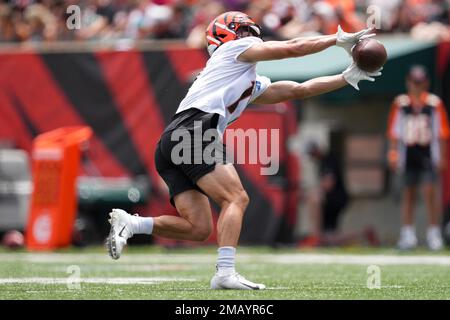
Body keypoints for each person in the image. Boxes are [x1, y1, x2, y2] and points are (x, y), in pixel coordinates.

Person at [106, 11, 382, 290]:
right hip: (195, 131)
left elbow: (298, 90)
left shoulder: (245, 77)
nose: (250, 37)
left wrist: (346, 77)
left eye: (251, 32)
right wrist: (336, 39)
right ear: (225, 36)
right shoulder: (231, 51)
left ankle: (131, 224)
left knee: (199, 228)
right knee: (236, 198)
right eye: (244, 32)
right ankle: (225, 273)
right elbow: (292, 47)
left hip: (175, 139)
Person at [387, 65, 450, 251]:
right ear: (408, 82)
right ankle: (407, 234)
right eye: (414, 82)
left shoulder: (433, 103)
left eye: (420, 83)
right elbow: (394, 132)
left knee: (430, 194)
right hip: (408, 153)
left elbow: (442, 132)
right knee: (408, 195)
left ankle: (433, 233)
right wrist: (393, 153)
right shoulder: (401, 104)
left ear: (426, 83)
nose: (417, 86)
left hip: (427, 153)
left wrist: (443, 156)